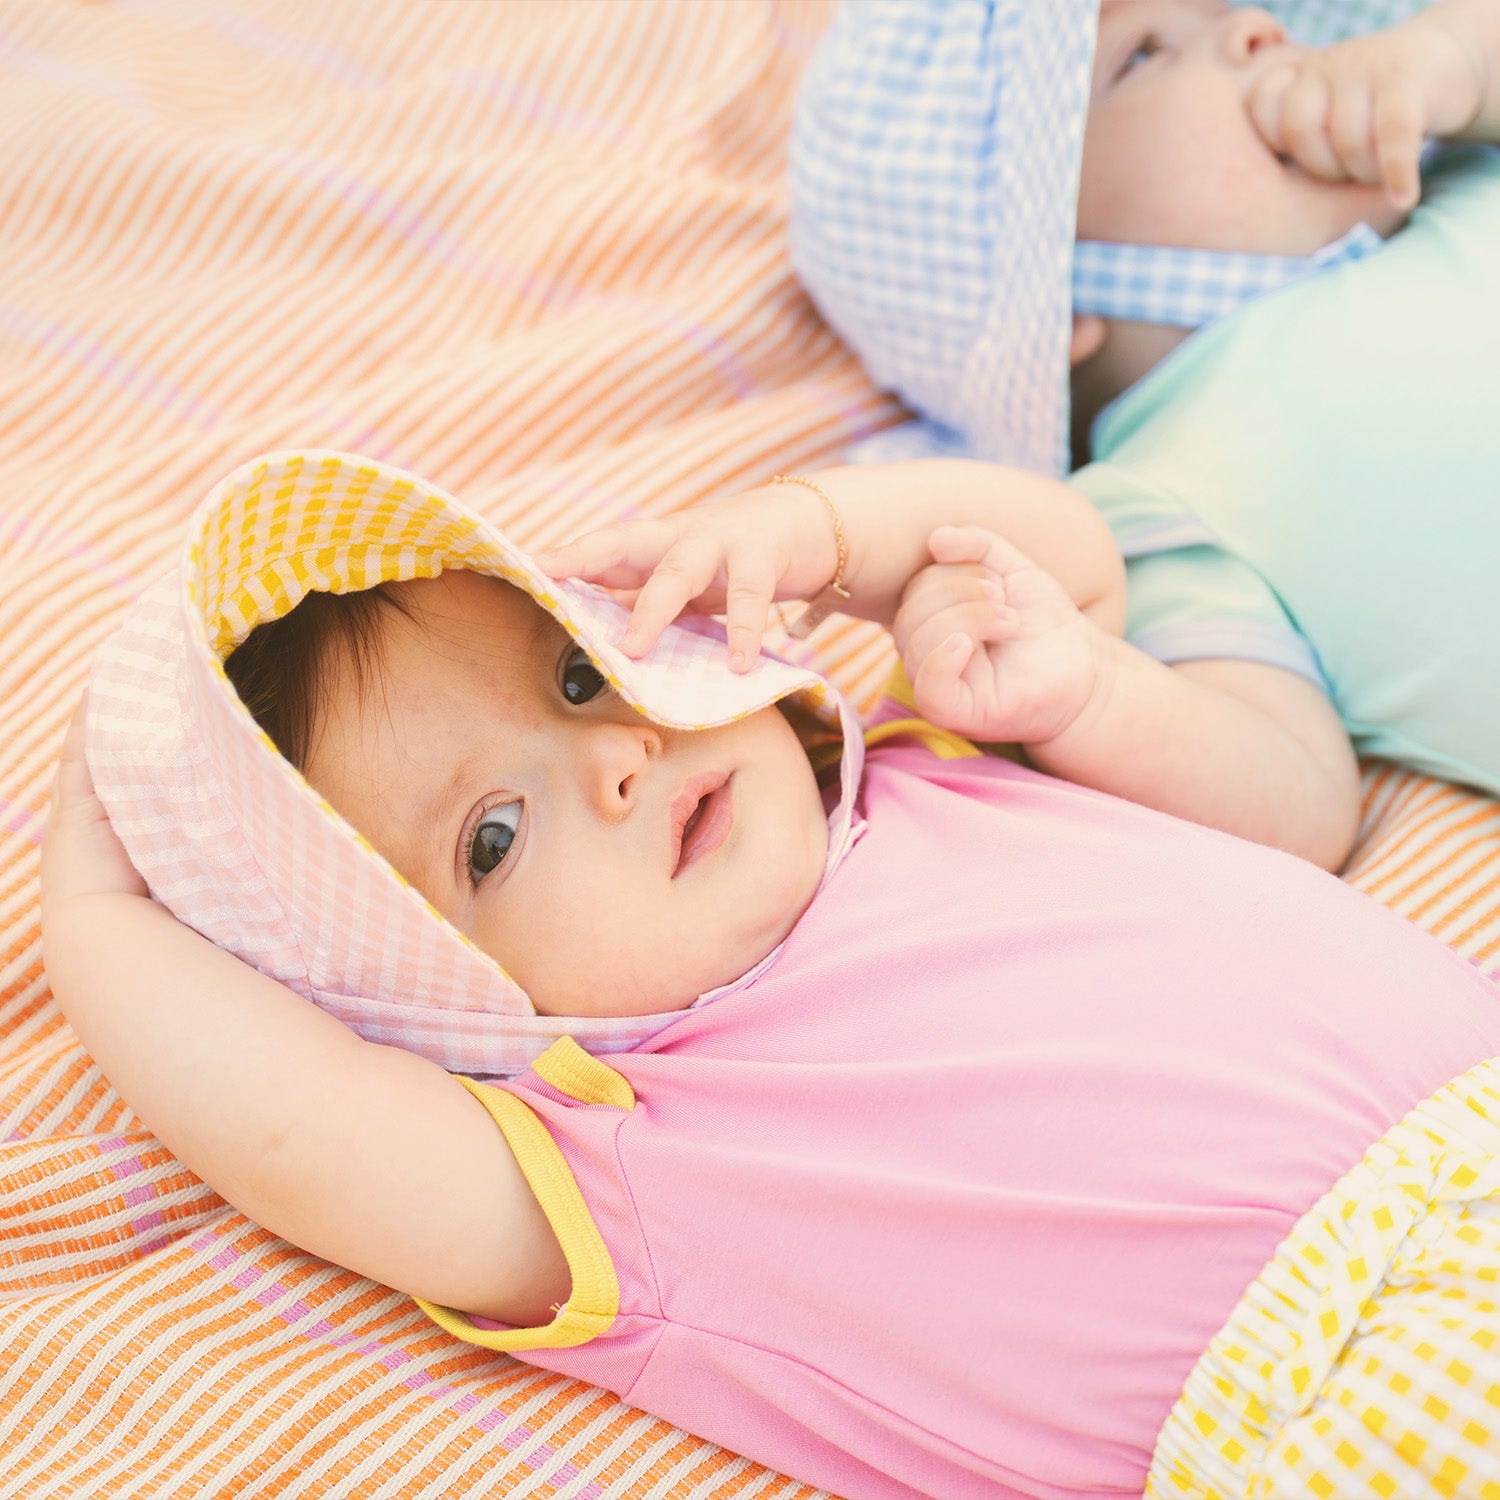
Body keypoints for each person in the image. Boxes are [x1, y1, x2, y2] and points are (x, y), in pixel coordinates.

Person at [42, 451, 1500, 1499]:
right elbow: (291, 1127)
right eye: (493, 836)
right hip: (1356, 1392)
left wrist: (816, 533)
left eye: (577, 674)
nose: (617, 756)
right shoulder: (614, 1146)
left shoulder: (940, 754)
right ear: (437, 1002)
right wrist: (97, 924)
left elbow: (1065, 552)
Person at [788, 0, 1500, 872]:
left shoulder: (1459, 160)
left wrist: (1453, 55)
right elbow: (1300, 800)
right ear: (1047, 306)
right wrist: (1093, 693)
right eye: (1148, 53)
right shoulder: (1150, 502)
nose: (1257, 27)